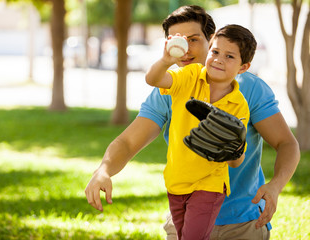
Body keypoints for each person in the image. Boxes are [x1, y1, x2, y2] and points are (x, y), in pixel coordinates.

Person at [85, 5, 300, 240]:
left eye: (193, 40)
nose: (185, 49)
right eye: (176, 41)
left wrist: (275, 186)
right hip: (185, 217)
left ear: (211, 40)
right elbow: (128, 142)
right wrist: (103, 170)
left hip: (242, 223)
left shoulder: (249, 89)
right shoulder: (169, 89)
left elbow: (286, 144)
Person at [144, 23, 256, 239]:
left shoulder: (239, 104)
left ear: (244, 67)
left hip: (209, 183)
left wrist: (234, 149)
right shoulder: (190, 75)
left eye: (230, 56)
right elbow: (153, 79)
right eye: (215, 51)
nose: (218, 59)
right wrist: (166, 61)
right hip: (176, 180)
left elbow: (236, 161)